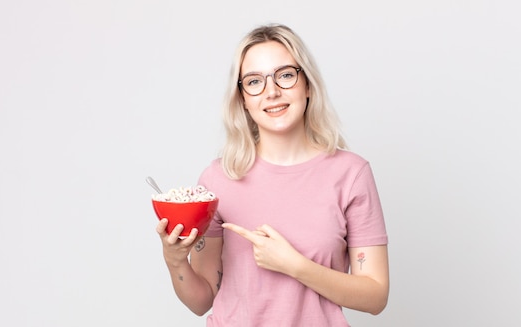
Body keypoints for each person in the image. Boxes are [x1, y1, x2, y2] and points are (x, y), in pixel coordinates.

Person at [156, 23, 389, 326]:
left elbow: (375, 296)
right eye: (254, 82)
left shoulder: (351, 174)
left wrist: (296, 266)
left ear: (308, 85)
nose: (272, 92)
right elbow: (202, 301)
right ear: (242, 98)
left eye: (286, 75)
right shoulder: (217, 180)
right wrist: (175, 262)